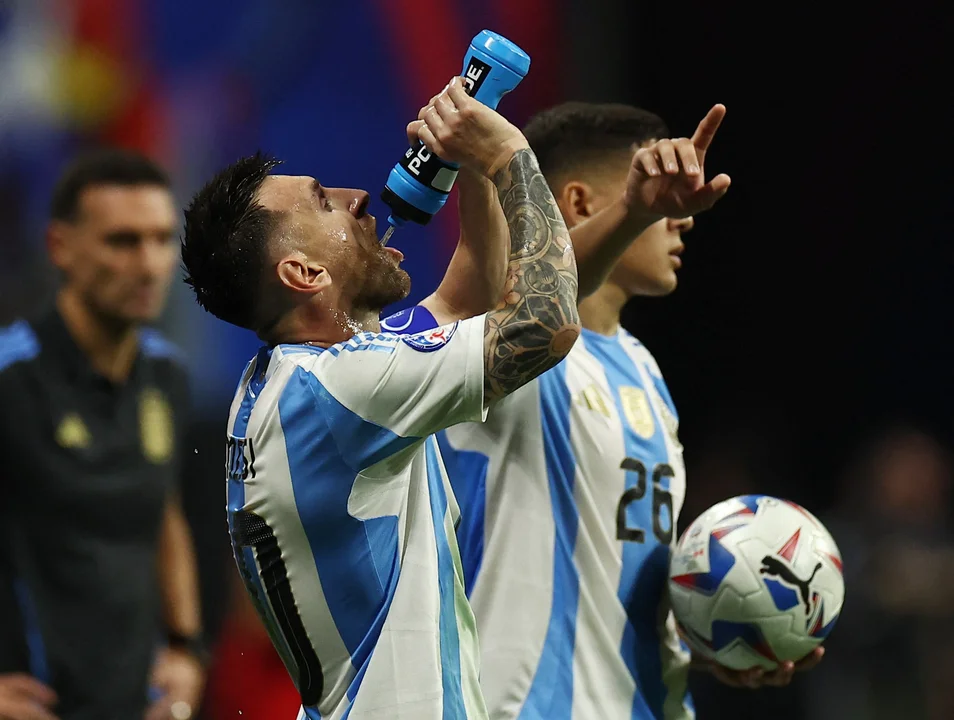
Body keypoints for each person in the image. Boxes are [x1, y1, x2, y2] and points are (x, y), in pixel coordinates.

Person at [385, 101, 825, 718]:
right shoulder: (499, 347)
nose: (682, 220)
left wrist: (727, 629)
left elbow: (612, 580)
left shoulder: (643, 369)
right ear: (582, 202)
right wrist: (635, 209)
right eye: (649, 193)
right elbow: (543, 306)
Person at [179, 75, 581, 719]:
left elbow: (468, 293)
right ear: (302, 274)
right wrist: (507, 154)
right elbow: (546, 323)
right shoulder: (343, 388)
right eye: (324, 202)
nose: (357, 197)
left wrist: (469, 162)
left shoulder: (293, 382)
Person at [0, 149, 206, 720]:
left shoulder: (167, 375)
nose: (149, 264)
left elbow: (165, 514)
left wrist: (185, 650)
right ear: (60, 247)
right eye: (123, 241)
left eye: (163, 239)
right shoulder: (9, 379)